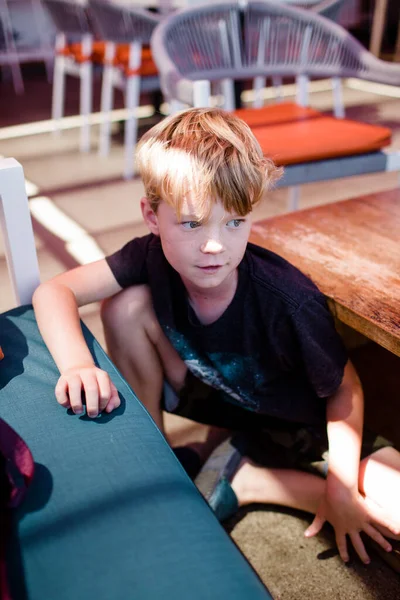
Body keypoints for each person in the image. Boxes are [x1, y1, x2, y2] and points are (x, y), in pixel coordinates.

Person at [32, 107, 400, 569]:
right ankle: (158, 458)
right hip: (218, 398)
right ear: (151, 215)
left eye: (234, 223)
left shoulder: (289, 299)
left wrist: (342, 488)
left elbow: (344, 388)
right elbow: (55, 290)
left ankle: (250, 478)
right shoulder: (147, 255)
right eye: (192, 223)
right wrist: (77, 365)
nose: (215, 246)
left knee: (390, 515)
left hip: (299, 425)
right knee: (123, 305)